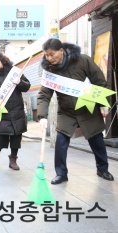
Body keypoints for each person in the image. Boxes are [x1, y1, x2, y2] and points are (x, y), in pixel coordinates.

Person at [37, 38, 114, 184]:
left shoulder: (82, 60)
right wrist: (42, 115)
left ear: (61, 50)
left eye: (52, 54)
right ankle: (61, 173)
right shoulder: (50, 71)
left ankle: (102, 169)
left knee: (96, 140)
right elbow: (44, 94)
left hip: (87, 108)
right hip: (66, 111)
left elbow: (99, 81)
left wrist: (104, 103)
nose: (49, 58)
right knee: (61, 141)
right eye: (46, 55)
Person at [0, 51, 31, 170]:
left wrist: (19, 82)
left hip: (17, 110)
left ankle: (13, 160)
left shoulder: (15, 72)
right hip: (2, 112)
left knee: (16, 137)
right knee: (1, 137)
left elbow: (27, 86)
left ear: (3, 60)